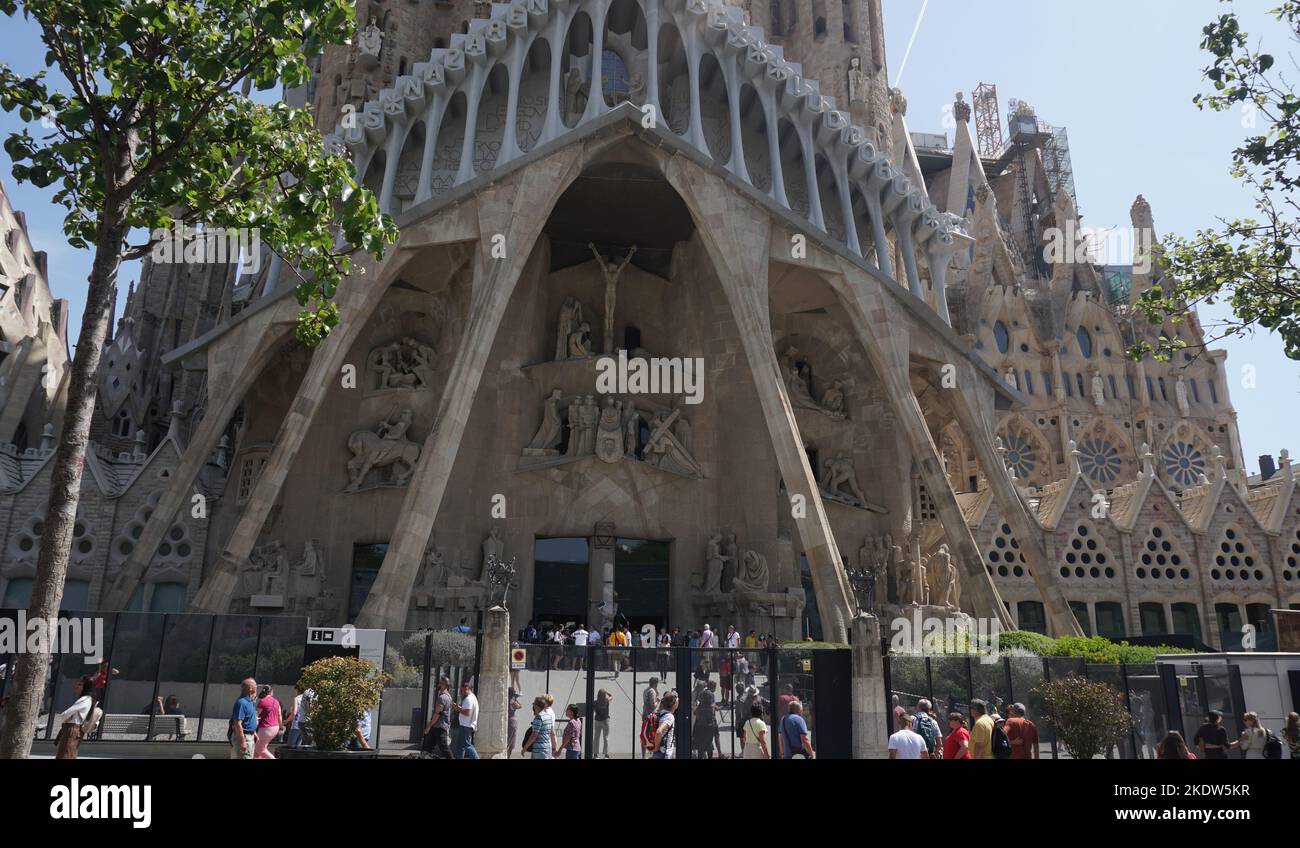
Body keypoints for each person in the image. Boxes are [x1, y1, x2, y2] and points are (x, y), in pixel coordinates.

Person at [54, 676, 100, 760]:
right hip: (74, 730)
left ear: (86, 687)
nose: (76, 686)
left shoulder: (85, 699)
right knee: (69, 754)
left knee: (66, 755)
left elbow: (64, 714)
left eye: (80, 684)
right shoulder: (89, 699)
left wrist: (68, 716)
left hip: (72, 730)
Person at [422, 677, 453, 758]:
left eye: (439, 683)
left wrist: (429, 726)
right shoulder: (449, 696)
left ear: (443, 685)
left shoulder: (442, 698)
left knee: (444, 748)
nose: (438, 685)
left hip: (439, 726)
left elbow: (437, 713)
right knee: (428, 747)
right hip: (439, 726)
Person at [229, 677, 258, 759]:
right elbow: (237, 723)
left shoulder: (250, 701)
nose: (257, 687)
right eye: (255, 686)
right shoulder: (241, 703)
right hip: (244, 738)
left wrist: (253, 732)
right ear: (250, 688)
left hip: (250, 737)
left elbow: (248, 719)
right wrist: (242, 741)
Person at [693, 679, 721, 759]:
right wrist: (716, 708)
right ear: (713, 687)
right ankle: (717, 754)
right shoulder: (711, 694)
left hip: (700, 722)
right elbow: (712, 707)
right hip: (709, 722)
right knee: (710, 741)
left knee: (701, 743)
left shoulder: (702, 693)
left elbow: (697, 708)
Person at [452, 680, 480, 759]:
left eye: (462, 690)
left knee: (466, 745)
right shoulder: (472, 697)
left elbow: (468, 713)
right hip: (466, 725)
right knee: (460, 746)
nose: (461, 692)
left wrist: (458, 709)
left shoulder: (469, 699)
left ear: (467, 688)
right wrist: (459, 708)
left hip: (466, 725)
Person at [254, 684, 281, 759]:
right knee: (257, 751)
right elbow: (279, 715)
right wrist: (281, 726)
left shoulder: (262, 701)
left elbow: (257, 717)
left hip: (266, 728)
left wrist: (253, 728)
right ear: (271, 692)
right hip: (275, 727)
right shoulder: (276, 702)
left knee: (260, 749)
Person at [650, 691, 679, 759]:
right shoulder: (669, 717)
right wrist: (657, 748)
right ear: (674, 704)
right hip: (664, 753)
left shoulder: (661, 713)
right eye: (677, 701)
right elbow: (659, 732)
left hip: (659, 752)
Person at [592, 689, 612, 758]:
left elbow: (593, 709)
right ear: (604, 695)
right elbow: (611, 696)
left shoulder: (595, 702)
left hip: (597, 720)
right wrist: (607, 692)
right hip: (605, 720)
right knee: (606, 738)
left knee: (596, 738)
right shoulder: (606, 701)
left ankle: (595, 754)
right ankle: (606, 754)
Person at [507, 688, 523, 757]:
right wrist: (516, 699)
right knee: (510, 742)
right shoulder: (512, 701)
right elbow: (520, 706)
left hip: (510, 721)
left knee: (510, 743)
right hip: (512, 722)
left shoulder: (509, 700)